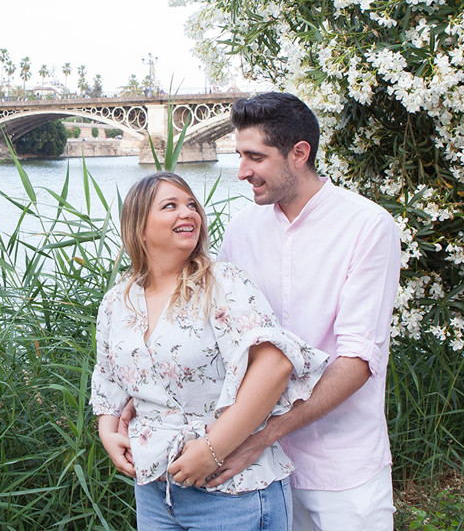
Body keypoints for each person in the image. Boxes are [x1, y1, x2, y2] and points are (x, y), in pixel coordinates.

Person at [92, 172, 327, 531]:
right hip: (155, 491)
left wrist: (211, 449)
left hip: (232, 491)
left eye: (191, 205)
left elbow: (275, 364)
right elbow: (108, 380)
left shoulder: (222, 283)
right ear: (139, 228)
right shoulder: (117, 302)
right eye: (170, 206)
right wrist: (108, 432)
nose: (187, 213)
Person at [212, 92, 402, 531]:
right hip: (260, 472)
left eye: (254, 157)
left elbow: (357, 362)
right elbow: (213, 330)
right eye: (240, 156)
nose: (242, 172)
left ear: (300, 153)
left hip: (341, 468)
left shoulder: (368, 226)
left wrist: (260, 437)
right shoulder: (242, 228)